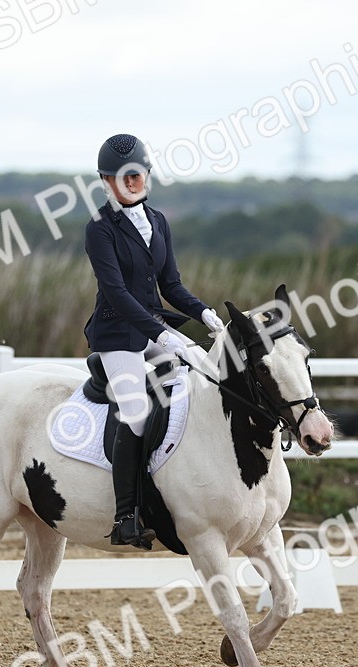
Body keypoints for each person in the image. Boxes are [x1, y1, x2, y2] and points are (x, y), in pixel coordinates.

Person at [84, 133, 224, 549]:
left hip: (153, 325)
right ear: (106, 181)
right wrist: (163, 335)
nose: (131, 183)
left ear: (146, 175)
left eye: (137, 175)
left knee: (208, 374)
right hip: (118, 333)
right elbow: (117, 293)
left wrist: (204, 313)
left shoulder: (158, 221)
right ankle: (126, 515)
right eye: (121, 177)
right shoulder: (99, 229)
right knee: (136, 411)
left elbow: (171, 284)